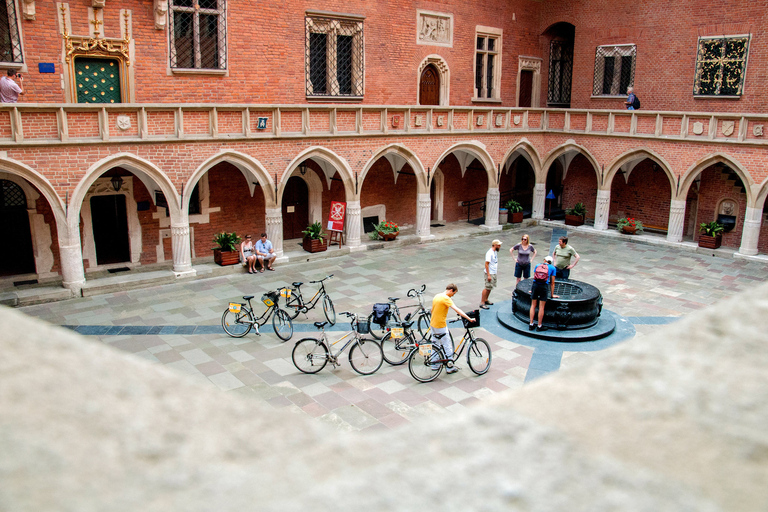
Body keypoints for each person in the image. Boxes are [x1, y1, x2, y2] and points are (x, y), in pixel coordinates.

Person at [431, 283, 475, 374]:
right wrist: (469, 319)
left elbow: (432, 310)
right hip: (440, 325)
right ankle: (450, 367)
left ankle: (434, 364)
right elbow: (457, 309)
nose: (452, 296)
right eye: (453, 294)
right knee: (447, 345)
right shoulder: (446, 298)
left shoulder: (437, 296)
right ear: (451, 290)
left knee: (435, 344)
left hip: (433, 324)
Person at [529, 256, 559, 332]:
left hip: (535, 286)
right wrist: (552, 295)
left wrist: (532, 290)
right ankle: (539, 326)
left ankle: (531, 324)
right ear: (550, 262)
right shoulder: (552, 268)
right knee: (541, 307)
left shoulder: (537, 265)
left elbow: (534, 278)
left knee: (533, 305)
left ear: (545, 260)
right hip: (544, 287)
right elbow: (552, 283)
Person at [480, 239, 502, 309]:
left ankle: (486, 299)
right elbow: (486, 264)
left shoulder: (495, 252)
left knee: (490, 287)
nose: (500, 246)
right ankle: (482, 302)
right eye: (498, 245)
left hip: (493, 272)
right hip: (490, 273)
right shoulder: (490, 253)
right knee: (487, 287)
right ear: (495, 245)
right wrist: (488, 275)